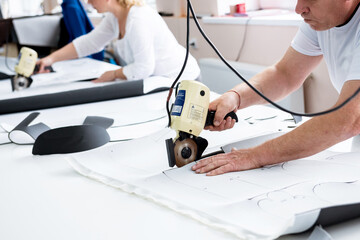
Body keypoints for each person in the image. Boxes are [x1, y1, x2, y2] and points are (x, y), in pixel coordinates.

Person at [192, 0, 360, 176]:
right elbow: (285, 74)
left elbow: (347, 119)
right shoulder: (321, 20)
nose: (298, 9)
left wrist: (254, 156)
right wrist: (235, 97)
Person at [36, 0, 200, 82]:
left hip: (183, 80)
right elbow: (89, 43)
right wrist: (50, 59)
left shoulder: (137, 19)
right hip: (160, 81)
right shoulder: (114, 18)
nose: (88, 2)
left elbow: (143, 68)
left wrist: (113, 74)